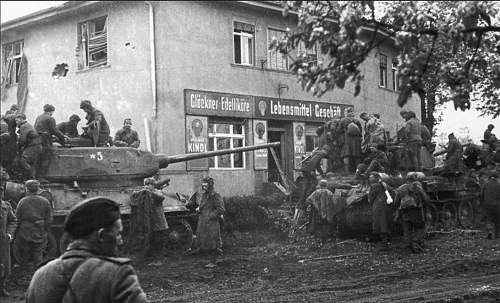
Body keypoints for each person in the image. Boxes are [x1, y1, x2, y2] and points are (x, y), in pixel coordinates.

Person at [25, 196, 149, 303]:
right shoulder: (117, 274)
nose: (121, 241)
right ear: (101, 235)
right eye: (118, 234)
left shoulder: (40, 275)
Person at [129, 177, 169, 266]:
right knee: (153, 242)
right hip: (152, 223)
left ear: (153, 185)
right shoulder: (146, 193)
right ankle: (155, 260)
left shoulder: (157, 192)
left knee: (159, 242)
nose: (146, 186)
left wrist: (149, 192)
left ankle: (159, 260)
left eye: (149, 184)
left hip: (159, 223)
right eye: (145, 184)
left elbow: (161, 198)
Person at [185, 177, 225, 268]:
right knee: (205, 241)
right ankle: (215, 257)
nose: (204, 187)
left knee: (213, 241)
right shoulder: (204, 195)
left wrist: (211, 216)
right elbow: (203, 205)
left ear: (210, 185)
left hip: (212, 222)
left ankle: (213, 261)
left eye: (206, 185)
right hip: (203, 221)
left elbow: (221, 209)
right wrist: (199, 209)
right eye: (203, 185)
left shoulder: (215, 195)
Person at [13, 180, 52, 271]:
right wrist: (46, 229)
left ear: (27, 189)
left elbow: (17, 218)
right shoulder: (45, 201)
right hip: (40, 230)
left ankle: (24, 275)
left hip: (25, 231)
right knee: (38, 254)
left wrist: (17, 230)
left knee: (24, 255)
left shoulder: (22, 201)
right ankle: (38, 274)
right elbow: (49, 218)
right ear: (38, 189)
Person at [394, 173, 429, 253]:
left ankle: (408, 247)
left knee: (407, 230)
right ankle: (415, 242)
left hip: (404, 212)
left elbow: (396, 203)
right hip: (416, 212)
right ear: (415, 179)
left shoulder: (400, 188)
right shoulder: (417, 187)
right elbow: (425, 199)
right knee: (421, 228)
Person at [35, 104, 68, 182]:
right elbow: (54, 130)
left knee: (39, 158)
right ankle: (41, 177)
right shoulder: (50, 118)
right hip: (45, 140)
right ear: (51, 111)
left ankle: (36, 176)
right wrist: (63, 136)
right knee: (46, 158)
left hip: (37, 140)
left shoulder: (39, 117)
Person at [0, 170, 17, 297]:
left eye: (1, 190)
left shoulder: (5, 206)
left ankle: (2, 287)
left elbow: (13, 220)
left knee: (5, 267)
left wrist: (9, 235)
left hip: (2, 241)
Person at [368, 172, 392, 250]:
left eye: (371, 177)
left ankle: (383, 243)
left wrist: (370, 202)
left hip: (378, 207)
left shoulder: (374, 186)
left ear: (376, 178)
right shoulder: (384, 184)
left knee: (380, 224)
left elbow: (371, 198)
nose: (370, 178)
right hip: (385, 206)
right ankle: (386, 241)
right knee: (384, 223)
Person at [16, 113, 43, 180]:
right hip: (36, 146)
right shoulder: (26, 125)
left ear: (21, 119)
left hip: (33, 146)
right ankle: (31, 179)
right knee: (32, 163)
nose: (16, 123)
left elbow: (22, 140)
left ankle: (31, 178)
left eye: (17, 121)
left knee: (23, 161)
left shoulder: (24, 126)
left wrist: (18, 147)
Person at [339, 108, 363, 174]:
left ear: (347, 112)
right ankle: (357, 172)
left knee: (346, 156)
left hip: (347, 140)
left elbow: (339, 130)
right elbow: (360, 130)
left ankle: (347, 172)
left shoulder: (343, 120)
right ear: (352, 112)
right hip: (356, 141)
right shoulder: (356, 121)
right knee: (357, 156)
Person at [480, 173, 500, 239]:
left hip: (487, 204)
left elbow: (481, 195)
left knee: (488, 219)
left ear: (490, 177)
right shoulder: (499, 184)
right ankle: (497, 235)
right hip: (497, 205)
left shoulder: (485, 184)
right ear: (496, 178)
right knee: (497, 220)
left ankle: (490, 232)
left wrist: (482, 203)